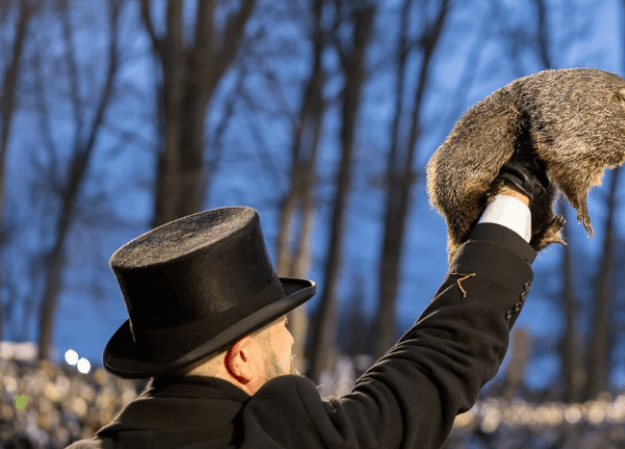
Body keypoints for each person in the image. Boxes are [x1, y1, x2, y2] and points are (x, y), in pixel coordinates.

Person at [66, 160, 553, 448]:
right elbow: (437, 362)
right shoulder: (284, 438)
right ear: (242, 357)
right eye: (277, 324)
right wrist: (512, 201)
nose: (291, 339)